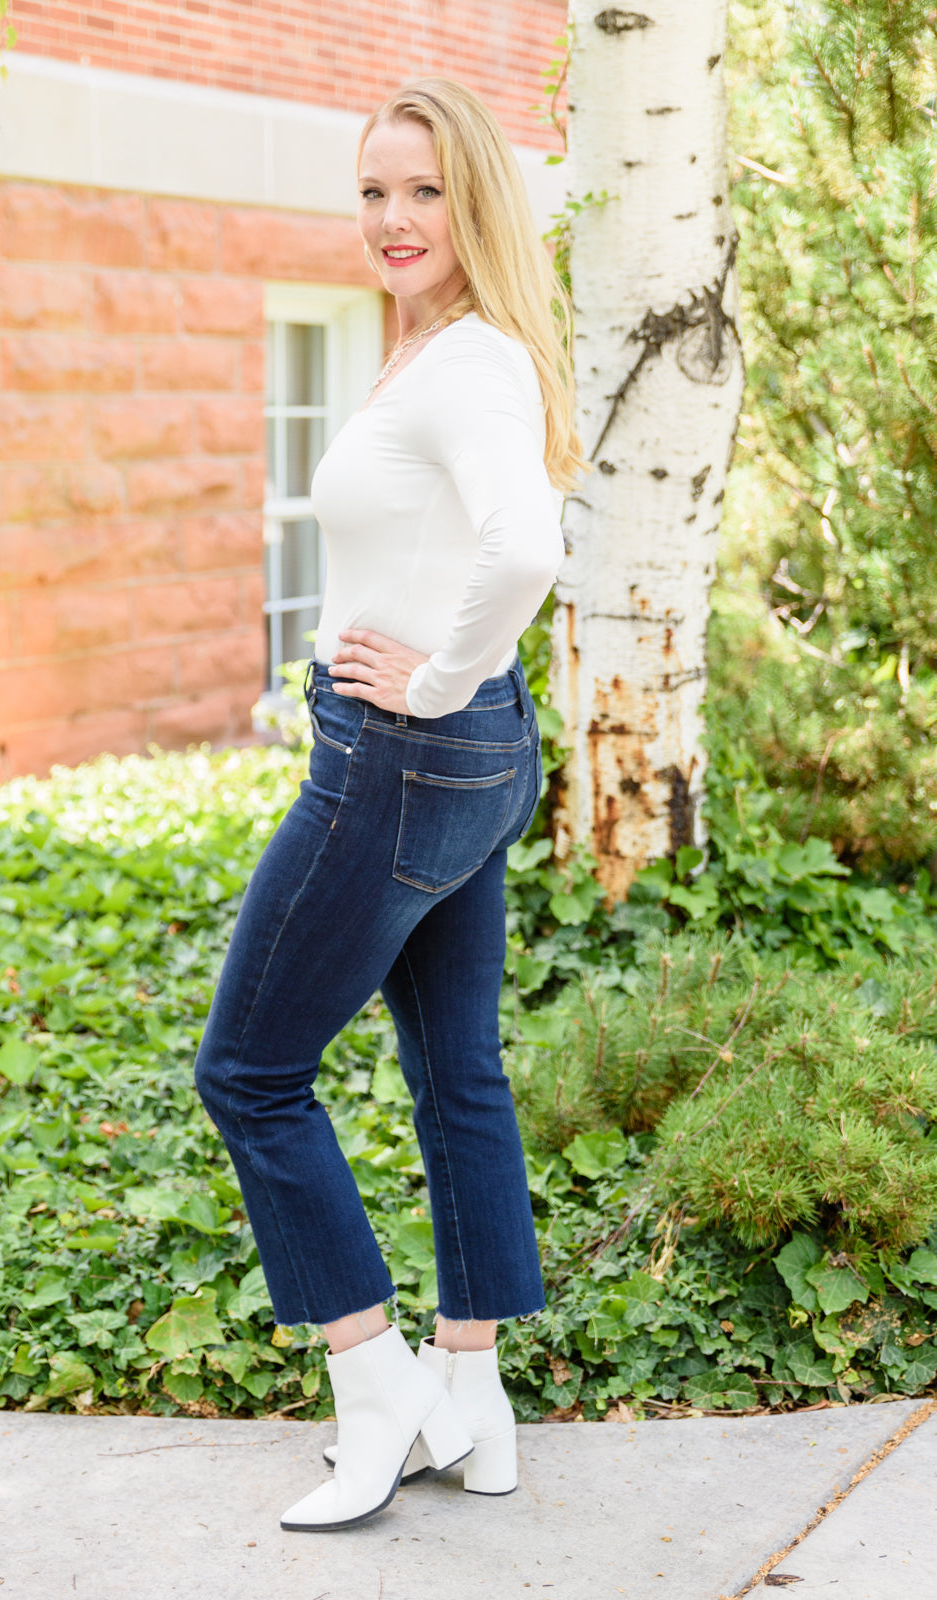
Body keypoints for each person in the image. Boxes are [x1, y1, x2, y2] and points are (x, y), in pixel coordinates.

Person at [193, 76, 587, 1533]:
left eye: (422, 190)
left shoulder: (468, 364)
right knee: (458, 1074)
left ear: (475, 198)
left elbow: (526, 546)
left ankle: (378, 1391)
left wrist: (428, 685)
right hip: (471, 754)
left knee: (247, 1075)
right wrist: (453, 688)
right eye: (372, 191)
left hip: (401, 752)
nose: (392, 218)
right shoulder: (438, 352)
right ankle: (471, 1391)